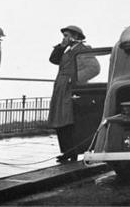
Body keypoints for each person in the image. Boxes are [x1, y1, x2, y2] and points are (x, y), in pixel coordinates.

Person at [48, 26, 100, 163]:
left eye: (66, 35)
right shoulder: (66, 50)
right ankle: (66, 151)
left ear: (75, 36)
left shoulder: (83, 50)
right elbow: (53, 59)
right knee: (60, 120)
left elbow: (94, 68)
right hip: (61, 88)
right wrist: (61, 46)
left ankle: (73, 151)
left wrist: (75, 79)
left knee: (69, 121)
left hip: (71, 89)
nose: (63, 38)